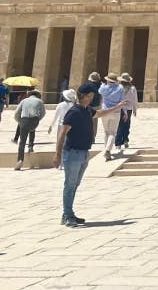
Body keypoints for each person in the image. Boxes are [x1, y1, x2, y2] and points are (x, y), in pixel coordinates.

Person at [54, 83, 97, 226]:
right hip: (73, 153)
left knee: (75, 185)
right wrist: (57, 154)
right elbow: (62, 134)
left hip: (83, 152)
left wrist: (118, 106)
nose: (92, 98)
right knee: (70, 185)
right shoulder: (74, 112)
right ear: (83, 96)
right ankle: (68, 216)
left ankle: (68, 213)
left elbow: (99, 113)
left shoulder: (86, 110)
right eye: (90, 96)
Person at [13, 89, 45, 171]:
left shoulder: (24, 101)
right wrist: (38, 119)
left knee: (22, 142)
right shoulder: (40, 101)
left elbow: (17, 113)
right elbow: (43, 113)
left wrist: (19, 121)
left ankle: (20, 160)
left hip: (24, 120)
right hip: (35, 120)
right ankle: (31, 146)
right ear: (37, 95)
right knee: (32, 129)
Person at [98, 72, 126, 160]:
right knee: (112, 133)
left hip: (105, 111)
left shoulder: (104, 88)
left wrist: (103, 85)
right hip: (116, 111)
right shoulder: (120, 88)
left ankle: (106, 149)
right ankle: (108, 150)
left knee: (106, 131)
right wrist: (124, 112)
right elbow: (122, 101)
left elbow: (99, 91)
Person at [47, 89, 77, 168]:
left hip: (61, 126)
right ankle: (67, 162)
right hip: (72, 126)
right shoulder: (74, 105)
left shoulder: (60, 105)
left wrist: (51, 126)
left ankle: (60, 163)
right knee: (69, 144)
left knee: (60, 143)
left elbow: (55, 117)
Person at [114, 72, 139, 154]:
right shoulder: (132, 88)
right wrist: (135, 109)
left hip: (120, 108)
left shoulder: (118, 87)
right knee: (126, 125)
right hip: (128, 109)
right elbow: (135, 99)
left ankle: (118, 143)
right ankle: (125, 140)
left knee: (119, 125)